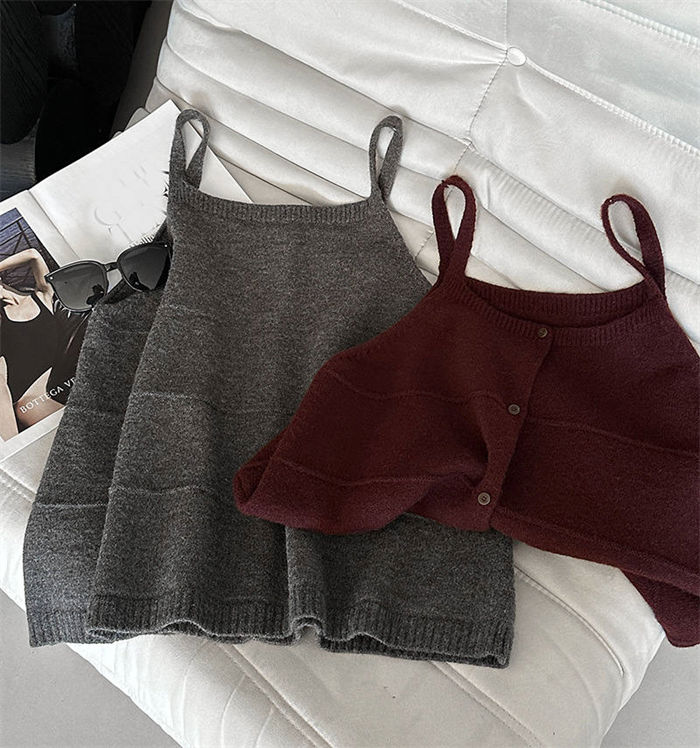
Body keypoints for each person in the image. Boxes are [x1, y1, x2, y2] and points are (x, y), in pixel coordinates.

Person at [0, 247, 61, 436]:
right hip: (31, 401)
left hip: (62, 377)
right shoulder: (2, 320)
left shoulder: (42, 295)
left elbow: (33, 255)